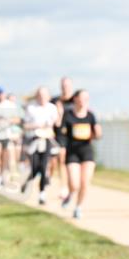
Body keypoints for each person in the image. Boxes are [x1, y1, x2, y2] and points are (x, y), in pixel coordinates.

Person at [60, 89, 102, 219]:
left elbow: (97, 134)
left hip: (86, 151)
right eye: (82, 98)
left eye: (87, 99)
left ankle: (78, 207)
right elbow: (62, 133)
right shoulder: (68, 115)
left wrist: (98, 133)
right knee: (74, 183)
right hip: (72, 151)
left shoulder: (90, 115)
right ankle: (71, 194)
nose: (84, 101)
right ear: (75, 99)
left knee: (85, 182)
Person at [21, 87, 60, 205]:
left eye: (45, 95)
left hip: (47, 139)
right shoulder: (31, 108)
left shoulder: (52, 108)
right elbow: (25, 125)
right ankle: (28, 181)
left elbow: (57, 123)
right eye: (40, 95)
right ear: (37, 96)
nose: (42, 98)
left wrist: (57, 118)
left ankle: (42, 193)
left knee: (43, 166)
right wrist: (36, 125)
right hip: (34, 140)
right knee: (35, 167)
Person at [0, 87, 21, 188]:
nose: (0, 95)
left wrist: (9, 121)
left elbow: (18, 119)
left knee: (4, 158)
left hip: (7, 135)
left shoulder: (10, 105)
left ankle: (1, 176)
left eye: (1, 93)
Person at [53, 76, 77, 205]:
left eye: (67, 85)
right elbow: (53, 121)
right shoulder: (55, 101)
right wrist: (59, 113)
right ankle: (63, 187)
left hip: (74, 134)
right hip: (61, 133)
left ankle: (72, 185)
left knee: (71, 161)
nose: (65, 88)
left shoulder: (76, 100)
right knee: (62, 158)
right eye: (63, 85)